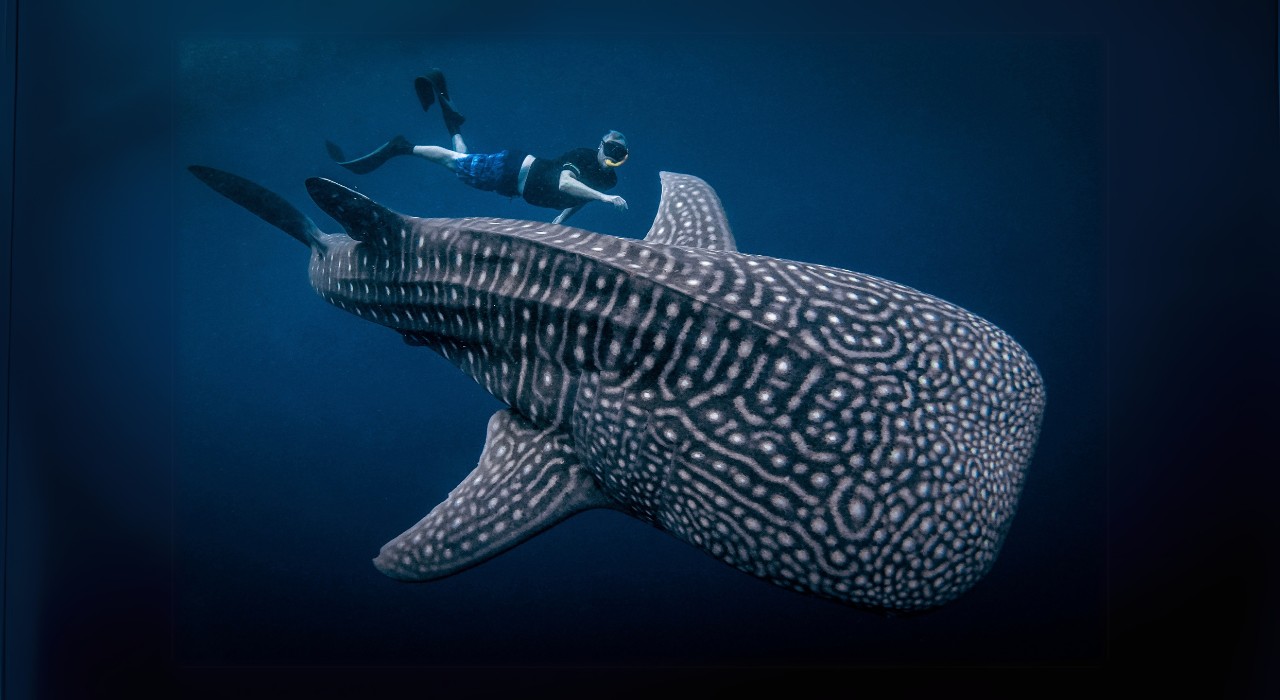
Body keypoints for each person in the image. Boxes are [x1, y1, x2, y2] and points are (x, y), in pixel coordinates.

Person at [325, 68, 629, 225]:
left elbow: (578, 199)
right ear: (601, 146)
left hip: (513, 182)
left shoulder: (606, 179)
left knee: (462, 159)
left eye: (620, 155)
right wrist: (605, 199)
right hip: (511, 172)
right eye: (611, 150)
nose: (613, 158)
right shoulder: (583, 156)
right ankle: (402, 147)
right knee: (455, 166)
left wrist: (561, 220)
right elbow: (565, 183)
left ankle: (451, 120)